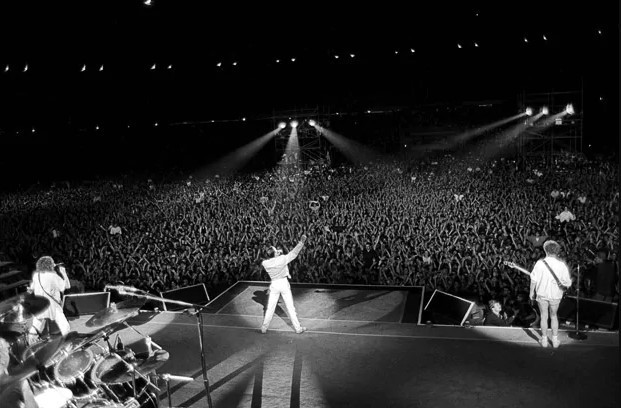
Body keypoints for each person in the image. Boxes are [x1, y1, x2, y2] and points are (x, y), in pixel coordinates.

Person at [260, 235, 307, 334]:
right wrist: (301, 242)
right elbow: (294, 253)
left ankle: (264, 328)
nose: (277, 250)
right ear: (275, 254)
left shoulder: (265, 263)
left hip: (274, 284)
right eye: (275, 250)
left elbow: (271, 258)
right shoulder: (282, 259)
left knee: (270, 307)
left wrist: (277, 253)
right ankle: (298, 328)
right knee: (290, 307)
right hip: (283, 283)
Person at [529, 240, 572, 348]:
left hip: (542, 294)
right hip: (555, 295)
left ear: (545, 250)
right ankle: (555, 340)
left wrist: (531, 292)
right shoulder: (561, 265)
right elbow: (567, 283)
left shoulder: (539, 263)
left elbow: (533, 280)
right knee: (553, 316)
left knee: (544, 316)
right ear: (556, 251)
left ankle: (544, 340)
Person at [27, 256, 71, 343]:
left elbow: (31, 289)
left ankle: (30, 345)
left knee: (36, 327)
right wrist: (63, 272)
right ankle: (68, 347)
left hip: (40, 306)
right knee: (65, 327)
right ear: (50, 265)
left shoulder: (36, 275)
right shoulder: (53, 276)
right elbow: (67, 286)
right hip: (52, 307)